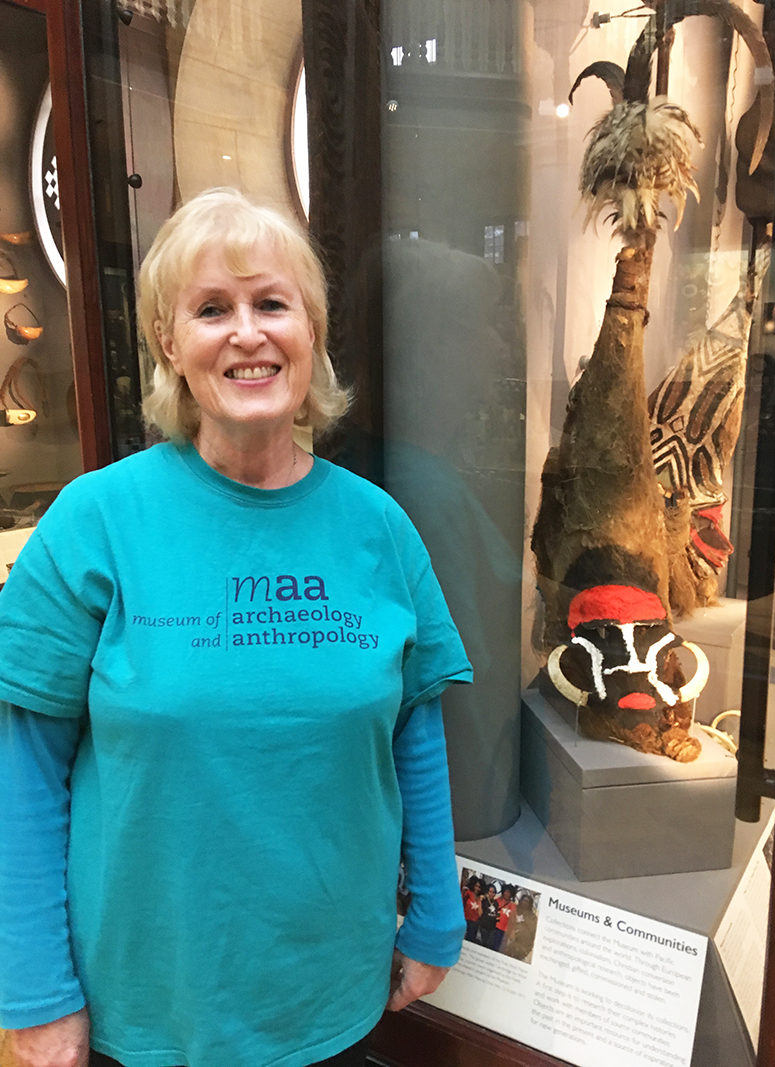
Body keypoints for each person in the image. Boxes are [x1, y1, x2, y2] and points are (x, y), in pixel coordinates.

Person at [0, 188, 473, 1067]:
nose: (246, 333)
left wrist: (439, 916)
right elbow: (22, 761)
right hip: (146, 1006)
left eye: (271, 304)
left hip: (331, 993)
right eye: (212, 309)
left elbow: (415, 728)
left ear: (311, 334)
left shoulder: (379, 527)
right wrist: (32, 988)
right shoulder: (96, 520)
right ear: (169, 344)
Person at [502, 895, 539, 962]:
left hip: (523, 946)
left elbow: (532, 933)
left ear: (530, 904)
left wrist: (519, 931)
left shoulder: (533, 918)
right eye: (523, 901)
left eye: (527, 902)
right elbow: (509, 927)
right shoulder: (514, 912)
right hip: (510, 943)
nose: (525, 903)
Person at [494, 884, 517, 952]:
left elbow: (513, 918)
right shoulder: (498, 901)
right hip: (496, 927)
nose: (507, 894)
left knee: (501, 948)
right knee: (494, 945)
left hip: (506, 930)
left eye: (509, 892)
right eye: (506, 891)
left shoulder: (513, 905)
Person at [476, 884, 499, 949]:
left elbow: (497, 915)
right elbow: (480, 914)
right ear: (487, 892)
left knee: (490, 945)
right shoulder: (484, 901)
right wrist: (480, 902)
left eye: (493, 892)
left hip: (492, 928)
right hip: (484, 927)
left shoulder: (496, 903)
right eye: (490, 891)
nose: (491, 894)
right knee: (483, 944)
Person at [461, 875, 484, 942]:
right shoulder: (467, 893)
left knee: (470, 940)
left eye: (479, 887)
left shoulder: (480, 898)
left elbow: (480, 914)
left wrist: (480, 901)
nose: (477, 888)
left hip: (474, 923)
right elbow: (462, 904)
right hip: (465, 919)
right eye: (476, 886)